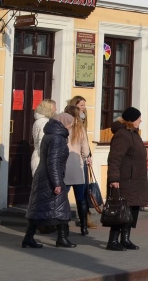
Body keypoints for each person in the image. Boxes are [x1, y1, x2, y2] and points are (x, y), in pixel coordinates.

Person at [23, 111, 76, 248]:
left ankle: (28, 238)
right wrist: (57, 183)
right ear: (64, 122)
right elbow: (53, 162)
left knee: (38, 209)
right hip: (50, 177)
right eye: (70, 123)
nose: (71, 126)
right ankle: (62, 238)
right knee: (61, 209)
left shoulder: (51, 134)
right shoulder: (57, 138)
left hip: (44, 175)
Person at [106, 107, 148, 251]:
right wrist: (114, 178)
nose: (141, 120)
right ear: (132, 120)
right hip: (125, 180)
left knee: (132, 209)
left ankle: (125, 239)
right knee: (120, 210)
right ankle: (113, 240)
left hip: (135, 180)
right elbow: (115, 158)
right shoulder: (122, 135)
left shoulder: (133, 133)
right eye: (139, 118)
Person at [64, 100, 93, 235]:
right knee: (80, 199)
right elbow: (86, 152)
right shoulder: (80, 128)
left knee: (63, 198)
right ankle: (84, 227)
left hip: (64, 167)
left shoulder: (62, 129)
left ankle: (63, 226)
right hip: (77, 167)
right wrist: (82, 157)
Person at [29, 99, 57, 175]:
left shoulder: (39, 121)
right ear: (49, 108)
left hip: (39, 156)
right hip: (42, 159)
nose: (56, 109)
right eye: (54, 107)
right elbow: (43, 143)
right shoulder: (44, 123)